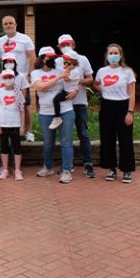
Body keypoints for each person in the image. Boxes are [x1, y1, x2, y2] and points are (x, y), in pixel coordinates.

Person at [32, 46, 77, 184]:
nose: (52, 60)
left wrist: (76, 90)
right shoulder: (36, 73)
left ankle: (67, 170)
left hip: (65, 111)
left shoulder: (62, 70)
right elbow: (41, 87)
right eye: (49, 58)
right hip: (46, 112)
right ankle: (48, 167)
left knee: (66, 142)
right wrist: (59, 77)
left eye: (54, 58)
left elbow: (74, 81)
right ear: (42, 59)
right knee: (48, 143)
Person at [94, 43, 137, 183]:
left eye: (115, 53)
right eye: (110, 53)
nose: (113, 56)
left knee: (125, 139)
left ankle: (127, 170)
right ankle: (111, 168)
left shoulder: (127, 72)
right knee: (107, 139)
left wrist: (130, 112)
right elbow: (95, 83)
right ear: (106, 56)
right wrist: (103, 90)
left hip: (123, 106)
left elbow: (132, 94)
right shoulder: (102, 71)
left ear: (120, 55)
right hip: (107, 106)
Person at [55, 34, 96, 178]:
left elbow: (90, 79)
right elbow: (55, 80)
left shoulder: (82, 59)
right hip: (64, 102)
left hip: (79, 102)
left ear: (73, 44)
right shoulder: (58, 62)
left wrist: (78, 85)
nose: (65, 46)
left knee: (83, 133)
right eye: (62, 45)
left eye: (67, 43)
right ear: (59, 48)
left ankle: (88, 164)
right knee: (65, 136)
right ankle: (67, 165)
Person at [0, 16, 36, 139]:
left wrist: (29, 74)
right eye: (6, 23)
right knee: (5, 104)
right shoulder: (1, 41)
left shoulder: (25, 39)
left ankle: (29, 132)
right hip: (6, 78)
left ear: (16, 25)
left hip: (21, 77)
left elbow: (32, 56)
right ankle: (5, 129)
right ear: (3, 26)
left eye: (11, 23)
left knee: (25, 105)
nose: (8, 25)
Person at [0, 69, 26, 181]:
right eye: (5, 78)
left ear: (14, 78)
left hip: (15, 124)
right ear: (2, 79)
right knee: (4, 147)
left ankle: (17, 170)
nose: (8, 80)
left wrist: (22, 125)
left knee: (17, 147)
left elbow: (22, 110)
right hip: (3, 124)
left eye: (10, 77)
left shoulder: (18, 92)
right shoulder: (0, 92)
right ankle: (5, 169)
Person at [48, 50, 83, 130]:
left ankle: (57, 118)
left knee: (56, 100)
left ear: (73, 63)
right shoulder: (70, 71)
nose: (65, 65)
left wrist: (64, 73)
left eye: (67, 63)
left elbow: (66, 79)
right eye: (64, 63)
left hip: (69, 92)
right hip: (65, 89)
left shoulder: (75, 71)